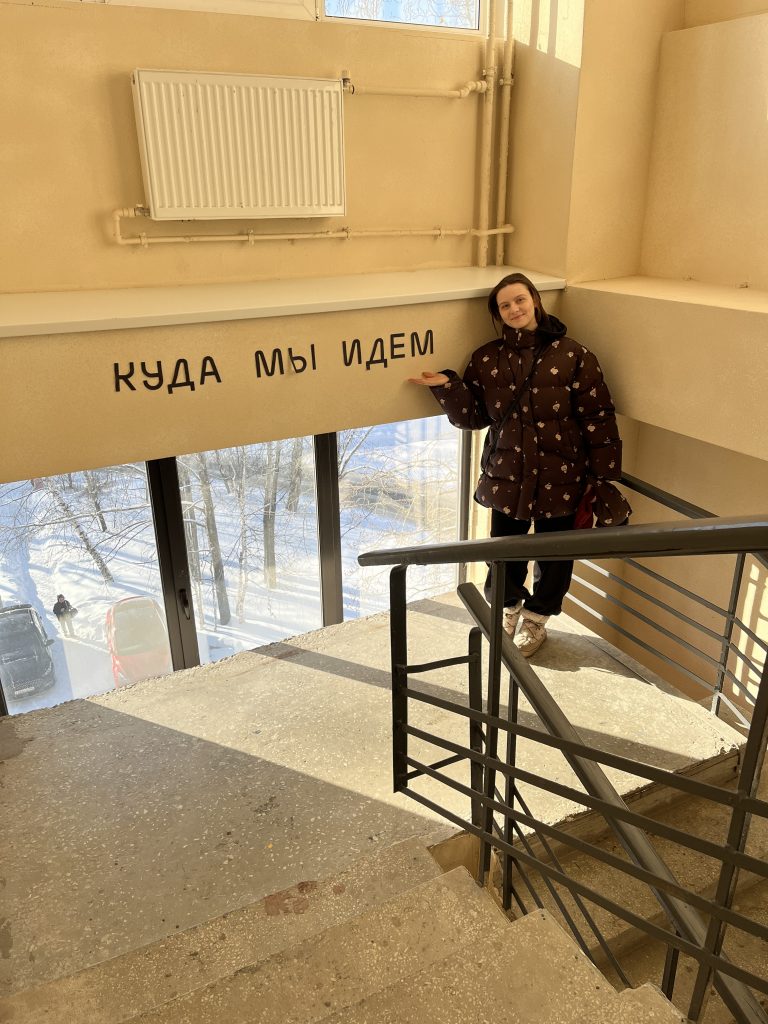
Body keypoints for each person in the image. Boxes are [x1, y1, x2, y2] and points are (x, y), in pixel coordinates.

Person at [408, 272, 628, 658]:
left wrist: (603, 477)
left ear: (535, 300)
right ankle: (508, 610)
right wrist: (448, 386)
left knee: (555, 557)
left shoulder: (573, 355)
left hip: (563, 476)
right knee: (504, 553)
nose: (514, 309)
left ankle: (537, 619)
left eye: (520, 300)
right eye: (505, 305)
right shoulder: (486, 358)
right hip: (507, 476)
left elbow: (598, 417)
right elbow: (474, 417)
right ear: (498, 313)